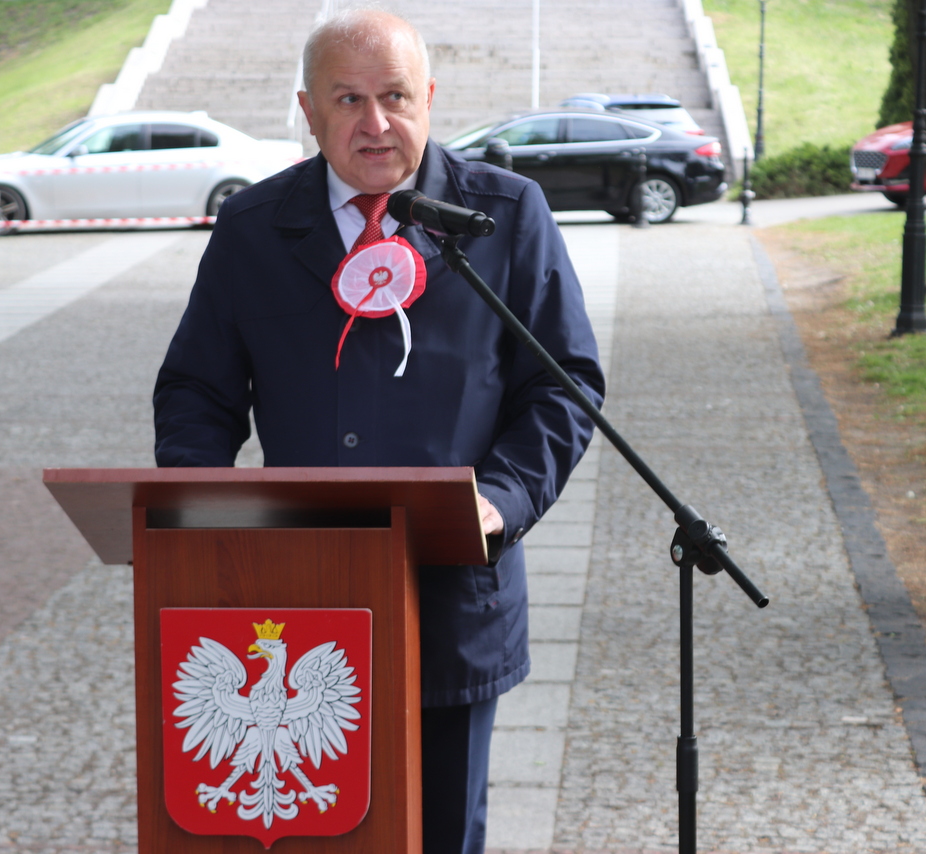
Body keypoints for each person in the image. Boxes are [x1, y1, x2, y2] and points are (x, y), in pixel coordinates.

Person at [153, 8, 604, 853]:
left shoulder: (504, 214)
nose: (376, 123)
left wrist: (502, 499)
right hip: (297, 606)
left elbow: (563, 382)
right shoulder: (252, 228)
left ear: (428, 97)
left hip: (455, 596)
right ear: (308, 111)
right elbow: (196, 392)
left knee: (443, 834)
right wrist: (198, 510)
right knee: (313, 832)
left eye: (395, 96)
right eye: (348, 99)